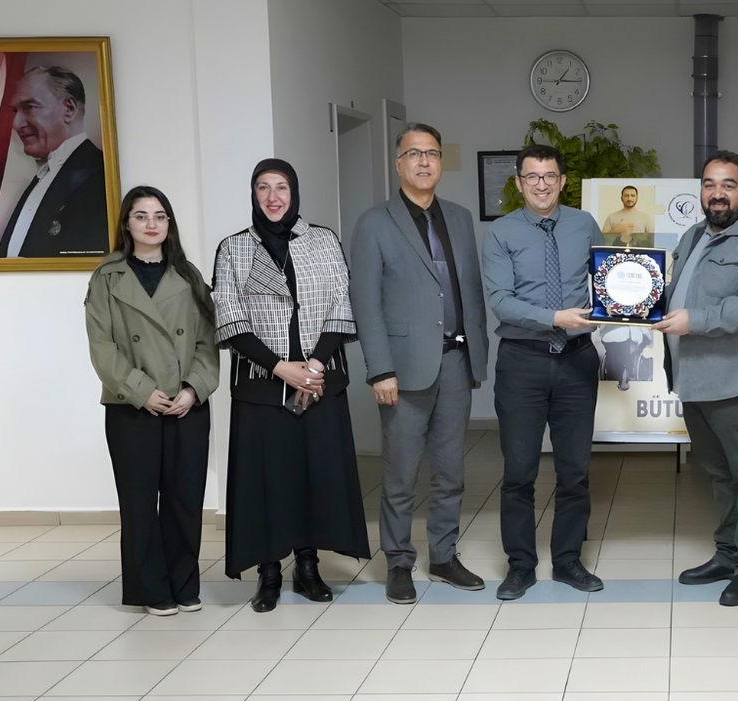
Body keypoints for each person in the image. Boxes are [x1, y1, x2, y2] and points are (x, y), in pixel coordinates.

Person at [212, 159, 370, 613]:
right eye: (263, 188)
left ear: (294, 192)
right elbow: (230, 317)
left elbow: (342, 302)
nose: (273, 197)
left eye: (281, 187)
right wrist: (282, 369)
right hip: (262, 386)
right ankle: (268, 572)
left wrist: (314, 365)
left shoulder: (323, 240)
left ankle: (308, 566)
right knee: (267, 481)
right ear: (253, 194)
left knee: (315, 477)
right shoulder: (234, 248)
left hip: (320, 382)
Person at [349, 122, 489, 604]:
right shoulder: (375, 222)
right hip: (403, 369)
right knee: (401, 474)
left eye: (432, 153)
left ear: (441, 162)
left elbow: (471, 291)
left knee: (450, 472)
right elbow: (365, 301)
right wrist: (379, 369)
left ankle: (444, 557)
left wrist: (476, 356)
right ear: (398, 163)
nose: (424, 161)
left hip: (455, 361)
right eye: (414, 153)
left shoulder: (460, 218)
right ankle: (398, 562)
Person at [655, 150, 738, 607]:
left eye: (728, 185)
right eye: (709, 184)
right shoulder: (694, 235)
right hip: (696, 381)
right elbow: (675, 293)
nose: (717, 193)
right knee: (719, 474)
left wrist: (693, 320)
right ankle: (728, 553)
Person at [85, 186, 218, 616]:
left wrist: (193, 388)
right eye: (141, 216)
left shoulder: (189, 275)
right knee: (140, 502)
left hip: (186, 404)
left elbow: (208, 341)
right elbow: (102, 347)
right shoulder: (107, 277)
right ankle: (151, 589)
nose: (151, 224)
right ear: (127, 224)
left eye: (160, 216)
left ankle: (184, 584)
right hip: (131, 405)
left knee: (185, 499)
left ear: (169, 224)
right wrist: (142, 391)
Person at [482, 144, 605, 601]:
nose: (541, 184)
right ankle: (520, 565)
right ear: (519, 183)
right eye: (532, 176)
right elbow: (501, 301)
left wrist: (625, 305)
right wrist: (556, 318)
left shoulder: (584, 224)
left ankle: (568, 560)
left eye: (549, 176)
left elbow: (608, 278)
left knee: (575, 471)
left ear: (562, 180)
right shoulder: (502, 232)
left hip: (577, 359)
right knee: (519, 471)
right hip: (523, 362)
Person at [0, 66, 109, 258]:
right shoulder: (47, 172)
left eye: (30, 107)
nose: (15, 124)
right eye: (14, 111)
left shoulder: (99, 174)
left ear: (69, 109)